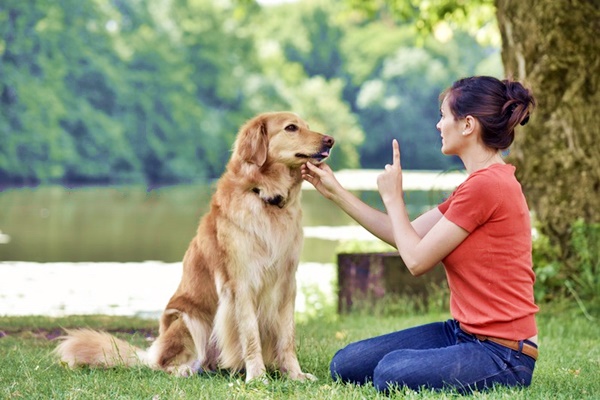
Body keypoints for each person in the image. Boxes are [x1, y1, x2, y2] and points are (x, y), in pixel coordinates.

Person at [301, 76, 539, 394]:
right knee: (346, 364)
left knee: (390, 373)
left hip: (504, 354)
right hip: (464, 333)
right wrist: (336, 193)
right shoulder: (476, 185)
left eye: (443, 115)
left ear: (468, 124)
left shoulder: (487, 186)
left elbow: (415, 261)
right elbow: (407, 236)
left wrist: (394, 198)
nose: (439, 125)